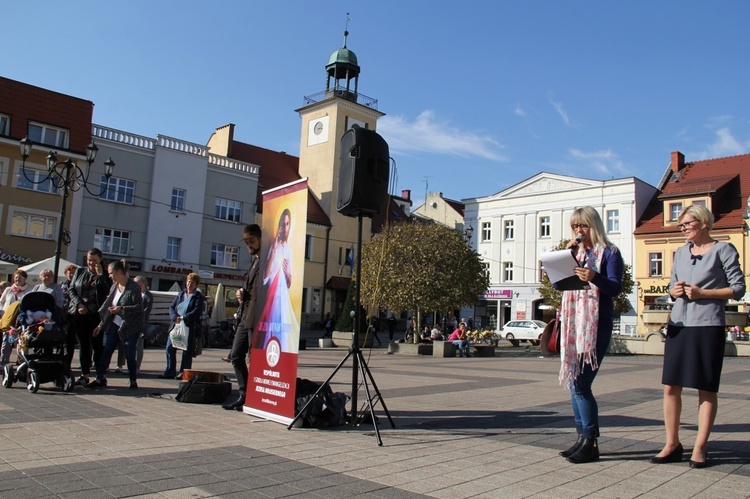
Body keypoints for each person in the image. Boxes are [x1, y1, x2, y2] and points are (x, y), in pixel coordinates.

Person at [650, 204, 745, 469]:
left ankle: (700, 447)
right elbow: (670, 285)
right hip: (679, 324)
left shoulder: (723, 249)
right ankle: (672, 444)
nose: (683, 229)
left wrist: (704, 294)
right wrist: (674, 291)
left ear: (703, 223)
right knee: (670, 385)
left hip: (707, 326)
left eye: (687, 224)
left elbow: (738, 288)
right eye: (680, 226)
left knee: (706, 387)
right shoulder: (680, 252)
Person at [555, 206, 623, 464]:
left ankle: (591, 441)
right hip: (573, 322)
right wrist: (566, 257)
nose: (579, 231)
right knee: (573, 382)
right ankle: (582, 437)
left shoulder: (610, 253)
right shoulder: (575, 253)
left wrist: (594, 276)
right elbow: (556, 283)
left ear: (594, 226)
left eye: (583, 226)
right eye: (575, 227)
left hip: (596, 324)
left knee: (582, 384)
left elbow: (615, 288)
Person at [86, 260, 143, 390]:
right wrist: (101, 325)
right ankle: (99, 378)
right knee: (107, 350)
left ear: (118, 272)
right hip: (116, 323)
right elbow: (108, 306)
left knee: (129, 353)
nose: (110, 276)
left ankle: (133, 380)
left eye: (111, 273)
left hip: (131, 325)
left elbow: (139, 307)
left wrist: (121, 308)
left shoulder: (133, 286)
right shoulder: (114, 286)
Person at [224, 224, 262, 411]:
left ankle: (252, 397)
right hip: (245, 316)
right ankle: (244, 394)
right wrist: (241, 292)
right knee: (235, 355)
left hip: (256, 316)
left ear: (261, 240)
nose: (249, 245)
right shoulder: (254, 261)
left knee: (253, 359)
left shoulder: (265, 261)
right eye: (247, 242)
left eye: (252, 241)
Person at [255, 209, 298, 352]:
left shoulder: (289, 250)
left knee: (282, 334)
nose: (285, 227)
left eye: (287, 224)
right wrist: (273, 251)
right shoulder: (274, 247)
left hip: (283, 301)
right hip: (271, 298)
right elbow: (265, 277)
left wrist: (287, 273)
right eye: (283, 224)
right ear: (279, 226)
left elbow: (289, 283)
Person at [68, 248, 112, 386]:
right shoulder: (80, 272)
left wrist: (101, 276)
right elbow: (72, 289)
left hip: (96, 315)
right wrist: (79, 304)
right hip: (80, 314)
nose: (91, 263)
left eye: (94, 260)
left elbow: (109, 291)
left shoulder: (105, 274)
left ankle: (100, 376)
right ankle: (84, 374)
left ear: (100, 260)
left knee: (97, 345)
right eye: (89, 260)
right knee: (84, 345)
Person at [162, 273, 205, 379]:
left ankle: (183, 373)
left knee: (187, 351)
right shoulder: (181, 294)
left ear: (196, 284)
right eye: (188, 282)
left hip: (189, 327)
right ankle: (170, 371)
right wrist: (174, 316)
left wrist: (184, 317)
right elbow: (172, 307)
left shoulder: (198, 297)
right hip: (176, 325)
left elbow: (197, 311)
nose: (189, 284)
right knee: (169, 348)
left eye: (192, 282)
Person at [0, 270, 30, 368]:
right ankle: (4, 361)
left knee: (22, 340)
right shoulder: (9, 289)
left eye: (20, 277)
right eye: (16, 277)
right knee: (7, 340)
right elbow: (1, 301)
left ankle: (22, 362)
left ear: (25, 279)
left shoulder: (29, 290)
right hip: (8, 318)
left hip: (21, 319)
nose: (17, 279)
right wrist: (2, 312)